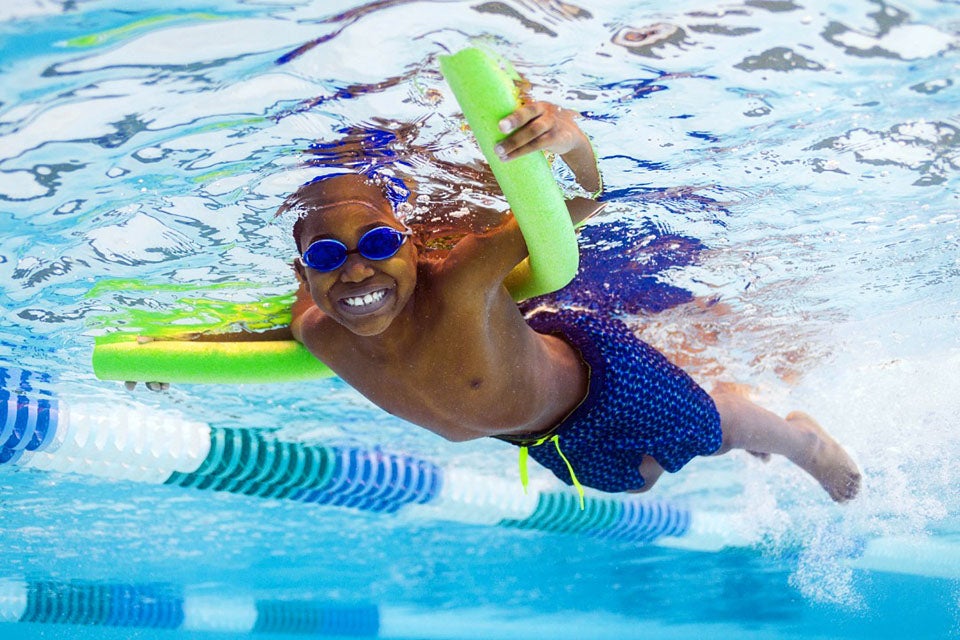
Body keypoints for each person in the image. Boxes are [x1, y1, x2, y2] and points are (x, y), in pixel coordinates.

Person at [140, 101, 862, 503]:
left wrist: (570, 141)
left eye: (379, 243)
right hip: (525, 432)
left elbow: (577, 202)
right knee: (636, 484)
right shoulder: (317, 327)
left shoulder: (458, 279)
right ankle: (741, 409)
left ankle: (798, 439)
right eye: (327, 256)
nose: (357, 271)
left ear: (413, 249)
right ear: (304, 273)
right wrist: (175, 358)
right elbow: (258, 345)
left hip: (596, 379)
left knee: (710, 429)